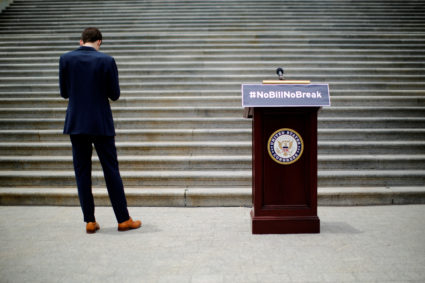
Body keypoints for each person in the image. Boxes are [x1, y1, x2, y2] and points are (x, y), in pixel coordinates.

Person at [59, 27, 141, 234]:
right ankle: (123, 219)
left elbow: (64, 93)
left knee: (82, 172)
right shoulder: (106, 61)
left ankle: (89, 221)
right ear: (99, 42)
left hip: (77, 123)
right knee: (111, 170)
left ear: (81, 41)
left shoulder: (65, 59)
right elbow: (114, 94)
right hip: (101, 123)